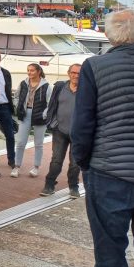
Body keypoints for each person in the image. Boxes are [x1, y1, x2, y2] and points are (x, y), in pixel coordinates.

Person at [72, 9, 134, 267]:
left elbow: (82, 126)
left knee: (110, 258)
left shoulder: (95, 67)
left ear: (109, 35)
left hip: (110, 174)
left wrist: (83, 164)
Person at [40, 64, 81, 198]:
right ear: (69, 73)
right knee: (56, 160)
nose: (76, 76)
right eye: (73, 73)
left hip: (78, 133)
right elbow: (52, 105)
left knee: (75, 163)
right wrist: (52, 122)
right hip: (60, 131)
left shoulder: (87, 90)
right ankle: (49, 185)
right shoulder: (60, 87)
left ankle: (73, 187)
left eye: (79, 73)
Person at [12, 63, 52, 178]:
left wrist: (44, 114)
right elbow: (16, 96)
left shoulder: (46, 86)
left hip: (40, 116)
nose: (29, 72)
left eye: (32, 70)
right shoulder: (23, 83)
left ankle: (36, 167)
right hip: (25, 114)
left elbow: (50, 103)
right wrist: (18, 106)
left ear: (38, 71)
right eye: (28, 70)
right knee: (20, 142)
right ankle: (17, 167)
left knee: (38, 144)